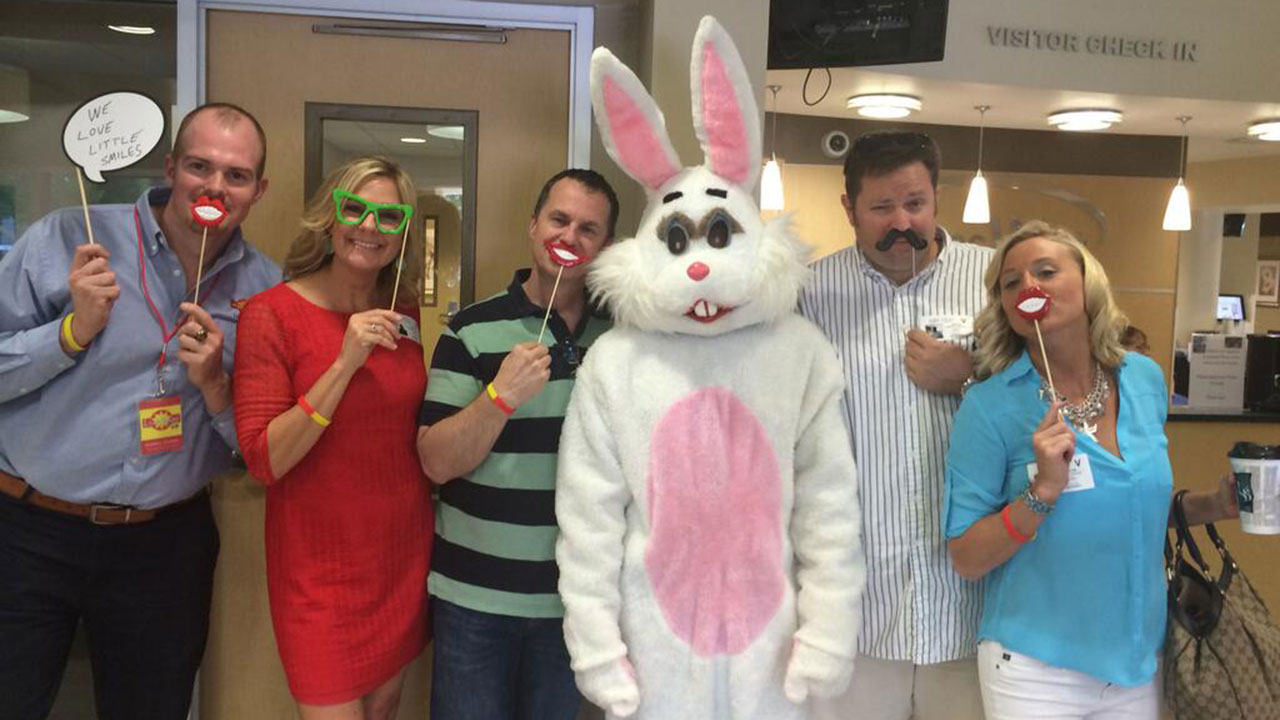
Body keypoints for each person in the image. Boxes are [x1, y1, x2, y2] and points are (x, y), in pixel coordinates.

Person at [0, 102, 279, 720]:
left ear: (259, 190)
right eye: (200, 166)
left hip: (164, 548)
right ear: (170, 166)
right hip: (28, 533)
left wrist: (214, 386)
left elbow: (257, 450)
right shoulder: (69, 239)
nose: (215, 186)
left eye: (236, 175)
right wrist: (70, 333)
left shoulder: (266, 293)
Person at [944, 220, 1238, 720]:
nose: (1028, 287)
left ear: (1088, 284)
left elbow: (1129, 503)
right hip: (1036, 669)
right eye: (1010, 282)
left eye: (1045, 271)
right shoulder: (990, 407)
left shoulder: (1142, 379)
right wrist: (1042, 492)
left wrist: (1214, 503)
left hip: (1136, 661)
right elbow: (967, 557)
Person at [799, 130, 991, 720]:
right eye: (881, 208)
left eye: (915, 203)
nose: (901, 222)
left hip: (970, 603)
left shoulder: (993, 283)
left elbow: (1054, 396)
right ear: (849, 207)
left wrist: (969, 377)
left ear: (937, 197)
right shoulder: (809, 294)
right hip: (857, 607)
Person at [232, 156, 431, 720]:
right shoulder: (272, 315)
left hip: (399, 555)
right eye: (355, 209)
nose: (370, 227)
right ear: (330, 216)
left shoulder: (405, 312)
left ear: (403, 231)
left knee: (384, 711)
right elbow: (264, 460)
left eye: (388, 216)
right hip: (317, 568)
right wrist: (344, 363)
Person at [416, 168, 618, 720]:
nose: (569, 236)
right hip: (473, 600)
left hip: (575, 603)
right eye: (559, 219)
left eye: (588, 229)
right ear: (534, 226)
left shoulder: (625, 339)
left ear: (605, 247)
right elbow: (434, 461)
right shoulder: (470, 330)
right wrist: (499, 398)